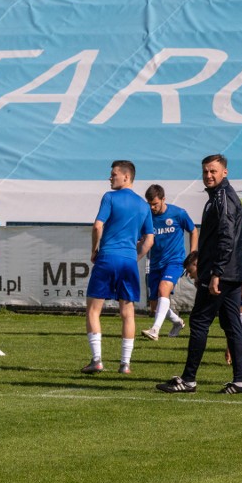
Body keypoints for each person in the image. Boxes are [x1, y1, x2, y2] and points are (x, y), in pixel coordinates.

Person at [157, 154, 242, 394]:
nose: (208, 175)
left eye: (213, 171)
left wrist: (216, 272)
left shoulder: (223, 198)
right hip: (230, 273)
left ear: (224, 172)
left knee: (199, 322)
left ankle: (188, 380)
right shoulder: (217, 198)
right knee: (232, 326)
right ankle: (240, 381)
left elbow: (226, 238)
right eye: (206, 171)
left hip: (221, 273)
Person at [81, 160, 154, 375]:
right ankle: (125, 364)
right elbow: (149, 240)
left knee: (94, 310)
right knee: (128, 313)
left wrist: (94, 249)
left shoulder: (110, 197)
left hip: (108, 257)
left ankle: (97, 361)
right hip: (128, 262)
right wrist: (135, 257)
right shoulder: (143, 205)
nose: (110, 178)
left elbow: (97, 225)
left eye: (113, 174)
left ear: (126, 177)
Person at [141, 184, 197, 340]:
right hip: (155, 264)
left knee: (163, 288)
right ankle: (177, 321)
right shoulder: (147, 217)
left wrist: (192, 254)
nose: (152, 207)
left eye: (155, 204)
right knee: (154, 307)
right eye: (149, 204)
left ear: (163, 199)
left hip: (175, 261)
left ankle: (155, 329)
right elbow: (142, 238)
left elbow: (193, 230)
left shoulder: (178, 213)